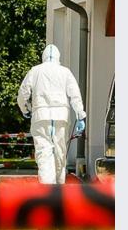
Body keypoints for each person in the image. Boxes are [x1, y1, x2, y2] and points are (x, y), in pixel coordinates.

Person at [17, 44, 86, 184]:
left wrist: (25, 109)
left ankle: (48, 191)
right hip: (61, 117)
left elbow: (23, 94)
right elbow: (75, 94)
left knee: (44, 154)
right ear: (58, 57)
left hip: (40, 117)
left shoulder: (34, 71)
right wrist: (80, 115)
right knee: (60, 154)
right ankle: (59, 188)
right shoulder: (65, 72)